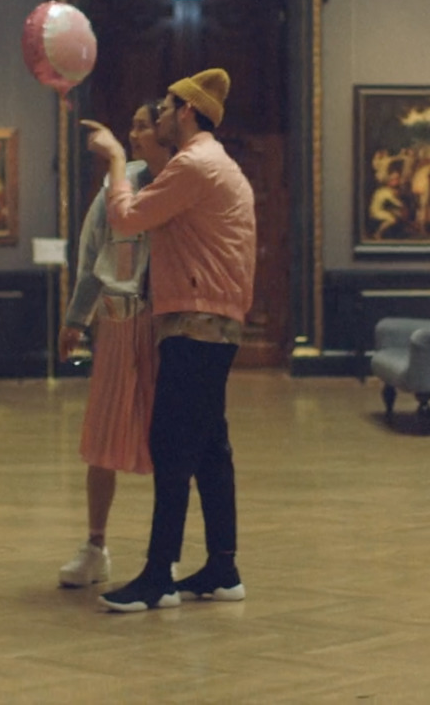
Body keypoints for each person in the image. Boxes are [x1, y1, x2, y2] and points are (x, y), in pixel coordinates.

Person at [79, 68, 256, 613]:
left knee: (173, 446)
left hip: (196, 321)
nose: (155, 118)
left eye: (164, 109)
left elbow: (129, 218)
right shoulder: (217, 163)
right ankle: (223, 569)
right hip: (211, 320)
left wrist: (112, 159)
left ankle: (158, 577)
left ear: (186, 111)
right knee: (208, 446)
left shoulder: (195, 164)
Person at [55, 102, 171, 588]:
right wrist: (75, 320)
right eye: (134, 125)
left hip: (170, 327)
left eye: (144, 125)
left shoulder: (188, 179)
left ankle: (164, 550)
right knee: (103, 437)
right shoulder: (117, 187)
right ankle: (95, 544)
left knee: (171, 439)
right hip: (121, 323)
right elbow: (94, 254)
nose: (135, 132)